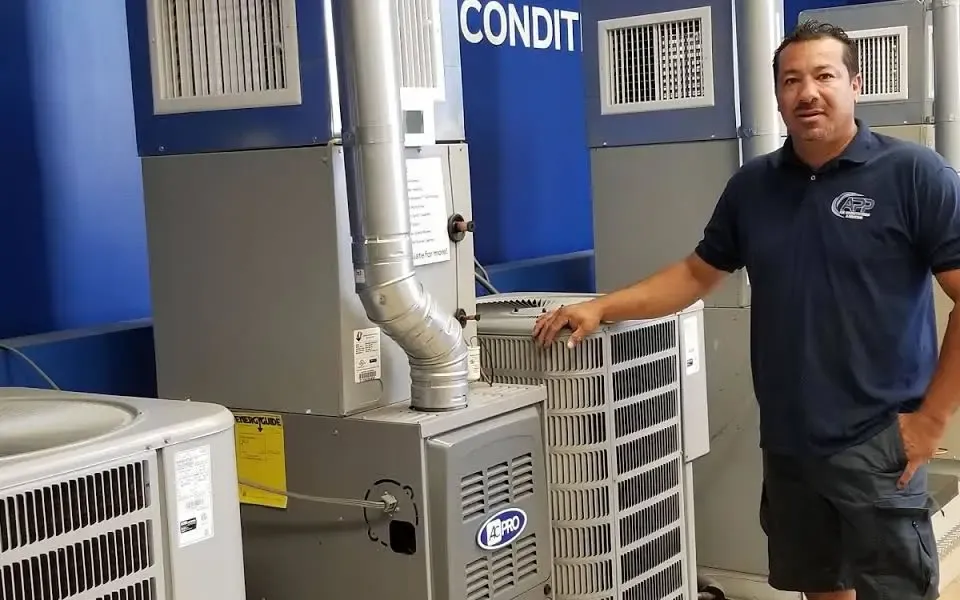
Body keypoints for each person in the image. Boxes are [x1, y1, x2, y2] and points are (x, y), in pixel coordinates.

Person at [533, 20, 960, 600]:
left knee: (897, 590)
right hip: (790, 441)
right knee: (818, 584)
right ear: (778, 95)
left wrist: (931, 420)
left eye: (824, 75)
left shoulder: (914, 174)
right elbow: (695, 273)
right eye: (791, 80)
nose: (807, 92)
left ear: (855, 84)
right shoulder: (753, 186)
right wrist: (604, 306)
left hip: (881, 439)